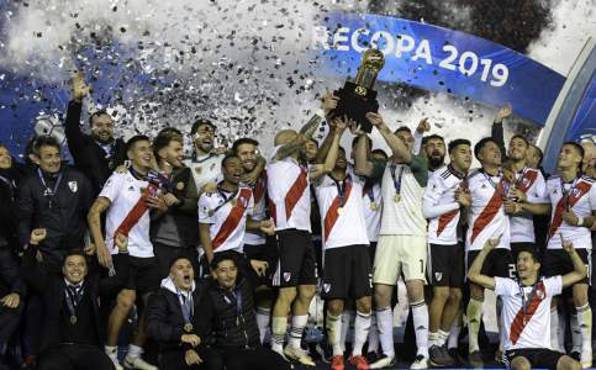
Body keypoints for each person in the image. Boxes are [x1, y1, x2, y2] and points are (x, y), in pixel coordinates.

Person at [354, 113, 430, 369]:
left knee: (415, 290)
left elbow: (404, 153)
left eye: (409, 140)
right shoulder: (385, 168)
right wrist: (363, 133)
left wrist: (382, 126)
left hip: (413, 236)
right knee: (381, 294)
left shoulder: (419, 164)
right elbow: (362, 167)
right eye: (402, 138)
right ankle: (388, 353)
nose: (406, 143)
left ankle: (422, 352)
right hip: (387, 237)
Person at [88, 135, 167, 370]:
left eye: (150, 149)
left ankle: (133, 354)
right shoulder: (120, 176)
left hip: (147, 252)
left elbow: (152, 215)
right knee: (126, 300)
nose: (148, 152)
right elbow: (94, 212)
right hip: (121, 250)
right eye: (141, 149)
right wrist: (102, 245)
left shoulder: (155, 183)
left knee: (151, 304)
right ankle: (110, 354)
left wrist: (161, 209)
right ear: (129, 155)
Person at [267, 111, 340, 366]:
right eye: (293, 139)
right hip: (285, 233)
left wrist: (337, 132)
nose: (299, 140)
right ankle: (275, 347)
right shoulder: (276, 161)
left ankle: (294, 345)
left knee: (308, 290)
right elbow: (300, 140)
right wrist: (320, 112)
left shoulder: (302, 169)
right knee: (286, 293)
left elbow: (329, 166)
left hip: (304, 234)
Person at [468, 236, 584, 370]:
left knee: (574, 366)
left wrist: (572, 252)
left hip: (543, 350)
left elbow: (581, 273)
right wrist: (485, 250)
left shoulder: (547, 286)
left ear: (536, 265)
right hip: (515, 351)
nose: (520, 263)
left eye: (525, 260)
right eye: (518, 260)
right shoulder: (508, 285)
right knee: (522, 367)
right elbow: (473, 275)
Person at [22, 229, 124, 370]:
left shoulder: (94, 285)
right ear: (63, 269)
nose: (76, 268)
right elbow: (28, 272)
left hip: (88, 350)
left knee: (106, 367)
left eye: (81, 264)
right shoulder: (51, 284)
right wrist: (33, 243)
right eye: (70, 264)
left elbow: (119, 281)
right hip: (56, 350)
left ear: (86, 270)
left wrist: (123, 251)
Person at [314, 129, 372, 370]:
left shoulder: (356, 178)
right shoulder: (319, 179)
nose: (338, 157)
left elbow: (361, 157)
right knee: (336, 304)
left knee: (365, 303)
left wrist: (359, 135)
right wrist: (336, 134)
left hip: (359, 246)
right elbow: (320, 161)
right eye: (333, 154)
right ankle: (337, 351)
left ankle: (357, 353)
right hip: (334, 248)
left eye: (342, 154)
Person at [538, 142, 594, 368]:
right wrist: (523, 203)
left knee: (580, 297)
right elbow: (544, 208)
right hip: (552, 247)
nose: (562, 154)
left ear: (579, 160)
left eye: (567, 152)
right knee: (551, 297)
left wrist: (579, 221)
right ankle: (555, 347)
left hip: (579, 246)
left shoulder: (590, 185)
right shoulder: (551, 182)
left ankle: (586, 348)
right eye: (561, 151)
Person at [464, 137, 515, 367]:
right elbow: (461, 209)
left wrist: (515, 207)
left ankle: (504, 347)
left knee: (506, 295)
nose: (496, 152)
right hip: (478, 244)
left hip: (503, 246)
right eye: (491, 150)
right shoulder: (471, 178)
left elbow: (513, 207)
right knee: (477, 294)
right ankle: (474, 346)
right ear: (480, 156)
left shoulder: (507, 179)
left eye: (497, 149)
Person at [422, 139, 472, 367]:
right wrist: (457, 204)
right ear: (451, 156)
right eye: (463, 152)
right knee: (440, 294)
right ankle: (432, 343)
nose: (468, 156)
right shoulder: (439, 177)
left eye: (470, 152)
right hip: (437, 241)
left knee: (457, 296)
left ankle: (441, 341)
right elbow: (427, 210)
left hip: (455, 243)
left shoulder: (466, 179)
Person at [196, 253, 291, 370]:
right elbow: (201, 328)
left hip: (255, 346)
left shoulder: (245, 283)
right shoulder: (209, 297)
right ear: (215, 274)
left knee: (283, 365)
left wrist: (249, 261)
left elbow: (246, 262)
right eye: (223, 270)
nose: (229, 275)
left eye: (232, 269)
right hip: (232, 351)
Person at [16, 135, 94, 272]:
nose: (55, 160)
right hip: (48, 253)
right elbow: (23, 220)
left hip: (77, 251)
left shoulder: (77, 177)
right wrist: (29, 247)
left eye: (57, 155)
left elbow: (92, 212)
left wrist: (94, 241)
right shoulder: (28, 185)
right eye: (48, 156)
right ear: (36, 159)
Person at [197, 154, 275, 280]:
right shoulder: (208, 197)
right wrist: (212, 264)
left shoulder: (247, 193)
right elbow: (204, 232)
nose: (237, 169)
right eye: (232, 165)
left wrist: (260, 224)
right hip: (215, 252)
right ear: (223, 169)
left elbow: (244, 221)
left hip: (237, 254)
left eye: (240, 165)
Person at [232, 138, 275, 343]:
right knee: (243, 295)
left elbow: (265, 159)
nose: (249, 157)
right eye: (244, 153)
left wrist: (260, 164)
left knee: (266, 293)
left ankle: (256, 339)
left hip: (263, 243)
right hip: (242, 243)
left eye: (252, 153)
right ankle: (241, 341)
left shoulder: (264, 175)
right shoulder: (232, 182)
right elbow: (237, 221)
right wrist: (260, 226)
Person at [145, 256, 223, 370]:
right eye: (180, 268)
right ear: (171, 276)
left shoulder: (201, 289)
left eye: (189, 267)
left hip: (200, 344)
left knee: (215, 362)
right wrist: (181, 336)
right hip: (173, 347)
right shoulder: (160, 297)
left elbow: (222, 277)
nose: (186, 270)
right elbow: (152, 326)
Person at [65, 72, 126, 194]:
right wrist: (77, 101)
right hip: (92, 205)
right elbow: (71, 129)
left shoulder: (121, 146)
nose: (104, 129)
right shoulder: (83, 145)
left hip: (120, 206)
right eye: (99, 125)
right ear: (90, 128)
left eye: (108, 125)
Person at [151, 129, 200, 279]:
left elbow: (194, 204)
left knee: (189, 286)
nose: (182, 153)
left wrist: (178, 202)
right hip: (160, 244)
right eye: (177, 149)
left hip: (185, 243)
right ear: (162, 153)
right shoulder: (148, 175)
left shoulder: (185, 172)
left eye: (182, 149)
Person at [184, 119, 225, 193]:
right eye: (203, 132)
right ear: (194, 137)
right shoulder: (184, 164)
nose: (208, 135)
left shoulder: (223, 159)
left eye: (211, 133)